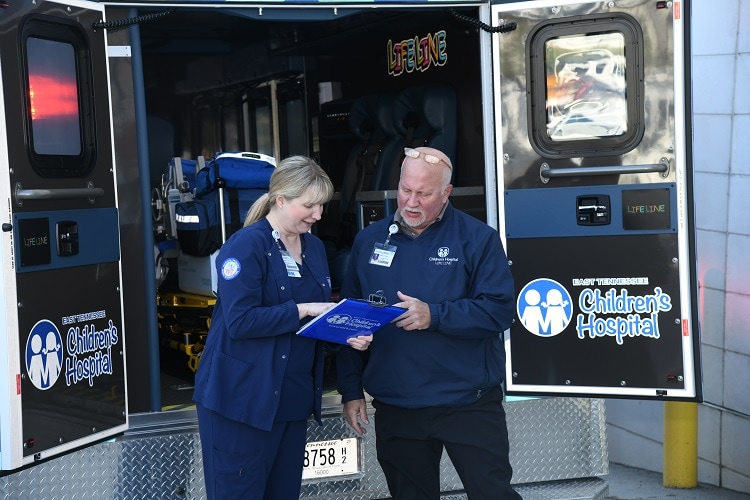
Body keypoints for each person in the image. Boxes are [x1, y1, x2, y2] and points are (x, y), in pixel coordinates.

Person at [336, 146, 522, 499]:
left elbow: (499, 311)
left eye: (424, 193)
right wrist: (349, 389)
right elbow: (351, 319)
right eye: (406, 189)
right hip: (397, 406)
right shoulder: (369, 240)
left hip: (467, 403)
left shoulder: (477, 239)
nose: (411, 202)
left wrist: (434, 315)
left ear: (446, 192)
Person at [193, 155, 372, 500]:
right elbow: (240, 321)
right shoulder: (246, 246)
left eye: (321, 206)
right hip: (242, 402)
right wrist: (302, 309)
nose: (318, 215)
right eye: (310, 206)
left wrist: (344, 333)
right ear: (281, 200)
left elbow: (311, 324)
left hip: (291, 400)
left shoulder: (315, 248)